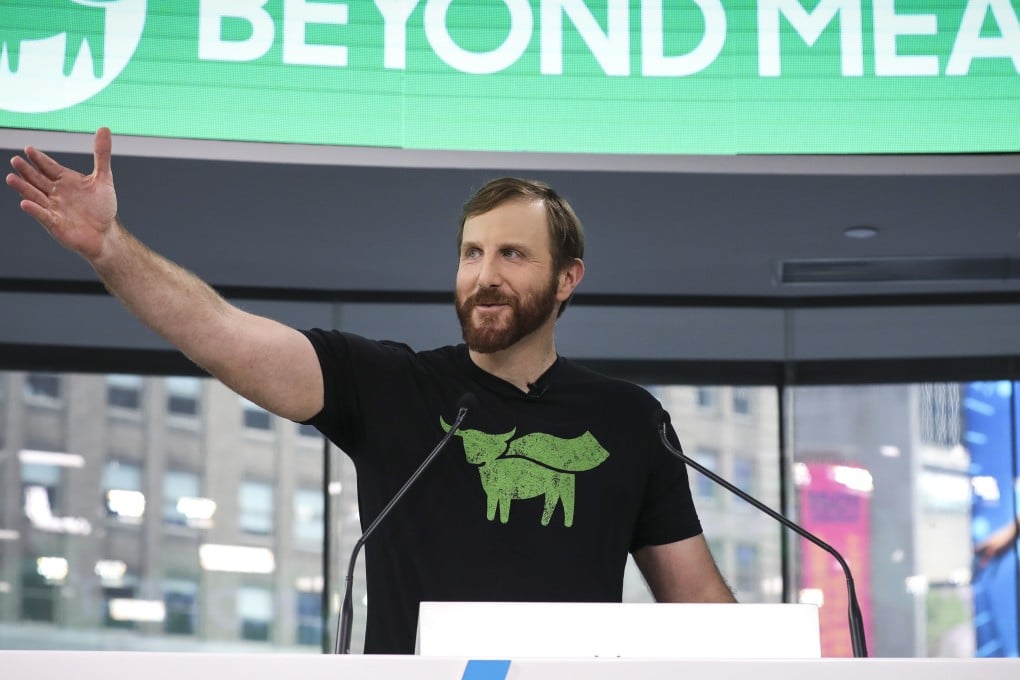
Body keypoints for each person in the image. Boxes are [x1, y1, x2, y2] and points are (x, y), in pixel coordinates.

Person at [6, 128, 736, 653]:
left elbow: (699, 603)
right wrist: (109, 247)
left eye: (512, 254)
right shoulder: (392, 386)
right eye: (471, 254)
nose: (485, 275)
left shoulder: (628, 419)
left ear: (567, 279)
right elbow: (220, 332)